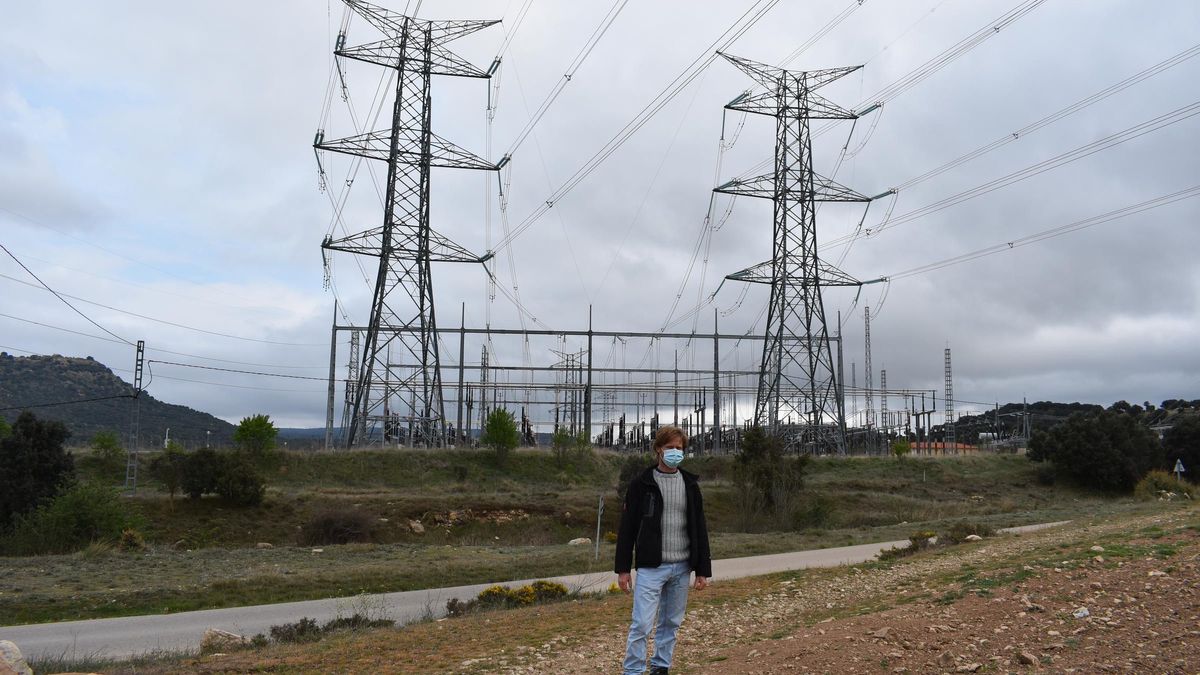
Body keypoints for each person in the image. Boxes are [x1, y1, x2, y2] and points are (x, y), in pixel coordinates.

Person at [615, 425, 712, 675]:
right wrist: (623, 569)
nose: (675, 452)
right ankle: (633, 670)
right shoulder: (641, 485)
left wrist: (702, 570)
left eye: (679, 448)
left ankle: (661, 666)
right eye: (670, 448)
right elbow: (627, 529)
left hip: (681, 567)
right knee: (642, 624)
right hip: (651, 567)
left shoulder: (691, 485)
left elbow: (699, 529)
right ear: (658, 449)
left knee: (670, 623)